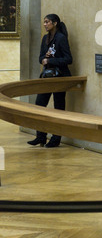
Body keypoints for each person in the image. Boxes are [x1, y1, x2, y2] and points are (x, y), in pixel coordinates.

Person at [27, 14, 73, 148]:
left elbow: (68, 59)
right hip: (47, 77)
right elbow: (40, 57)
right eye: (44, 22)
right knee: (39, 105)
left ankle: (56, 139)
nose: (45, 24)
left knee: (58, 108)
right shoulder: (45, 38)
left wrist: (50, 60)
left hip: (59, 78)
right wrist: (43, 59)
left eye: (47, 22)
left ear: (55, 23)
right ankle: (40, 136)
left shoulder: (61, 38)